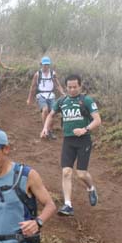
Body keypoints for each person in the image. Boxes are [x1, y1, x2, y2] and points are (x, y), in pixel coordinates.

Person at [40, 74, 101, 216]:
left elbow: (97, 120)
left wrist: (85, 129)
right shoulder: (62, 101)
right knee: (66, 172)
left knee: (81, 174)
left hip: (83, 140)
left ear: (80, 86)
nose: (72, 90)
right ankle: (68, 205)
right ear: (66, 87)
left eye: (75, 87)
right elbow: (51, 115)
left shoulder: (86, 100)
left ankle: (91, 188)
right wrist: (45, 128)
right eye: (69, 87)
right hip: (68, 140)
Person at [27, 57, 65, 140]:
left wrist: (62, 93)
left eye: (47, 65)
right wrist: (29, 98)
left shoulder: (53, 73)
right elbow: (33, 86)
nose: (46, 66)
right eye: (44, 65)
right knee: (45, 110)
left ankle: (50, 130)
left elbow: (57, 84)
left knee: (52, 112)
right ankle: (46, 130)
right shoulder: (38, 74)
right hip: (41, 95)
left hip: (51, 95)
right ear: (41, 65)